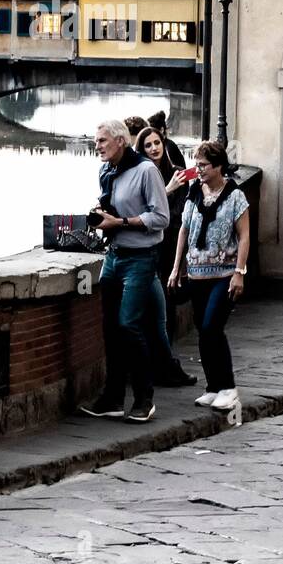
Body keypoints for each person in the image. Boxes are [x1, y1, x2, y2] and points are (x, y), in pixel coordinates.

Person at [79, 119, 170, 424]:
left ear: (120, 141)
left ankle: (145, 399)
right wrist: (101, 212)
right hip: (113, 256)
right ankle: (113, 398)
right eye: (96, 141)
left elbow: (161, 218)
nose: (97, 146)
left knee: (129, 325)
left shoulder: (146, 171)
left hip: (141, 258)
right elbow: (112, 204)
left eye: (102, 140)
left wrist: (120, 223)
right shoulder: (107, 171)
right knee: (110, 328)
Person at [168, 141, 251, 413]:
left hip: (224, 274)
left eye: (203, 165)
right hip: (195, 274)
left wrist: (239, 272)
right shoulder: (195, 191)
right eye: (197, 164)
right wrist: (176, 266)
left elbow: (244, 235)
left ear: (218, 166)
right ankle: (213, 387)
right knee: (203, 331)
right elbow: (184, 229)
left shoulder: (235, 196)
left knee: (213, 326)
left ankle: (228, 388)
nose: (198, 169)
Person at [136, 125, 198, 386]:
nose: (154, 148)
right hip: (147, 249)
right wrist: (167, 190)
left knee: (167, 307)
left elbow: (176, 217)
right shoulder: (139, 175)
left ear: (164, 144)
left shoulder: (176, 174)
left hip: (170, 248)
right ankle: (152, 366)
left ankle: (166, 366)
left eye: (157, 143)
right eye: (148, 145)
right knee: (147, 310)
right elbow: (143, 213)